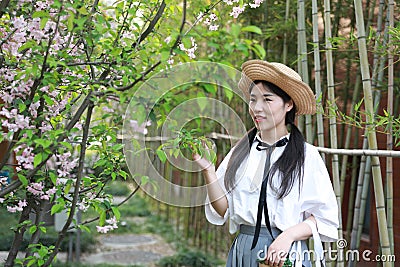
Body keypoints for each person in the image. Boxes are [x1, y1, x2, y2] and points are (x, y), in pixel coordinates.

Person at [193, 60, 339, 267]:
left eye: (267, 100)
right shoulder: (240, 152)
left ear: (288, 104)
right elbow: (223, 209)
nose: (257, 108)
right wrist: (208, 170)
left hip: (287, 254)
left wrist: (287, 236)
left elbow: (325, 218)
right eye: (253, 100)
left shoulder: (307, 156)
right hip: (244, 250)